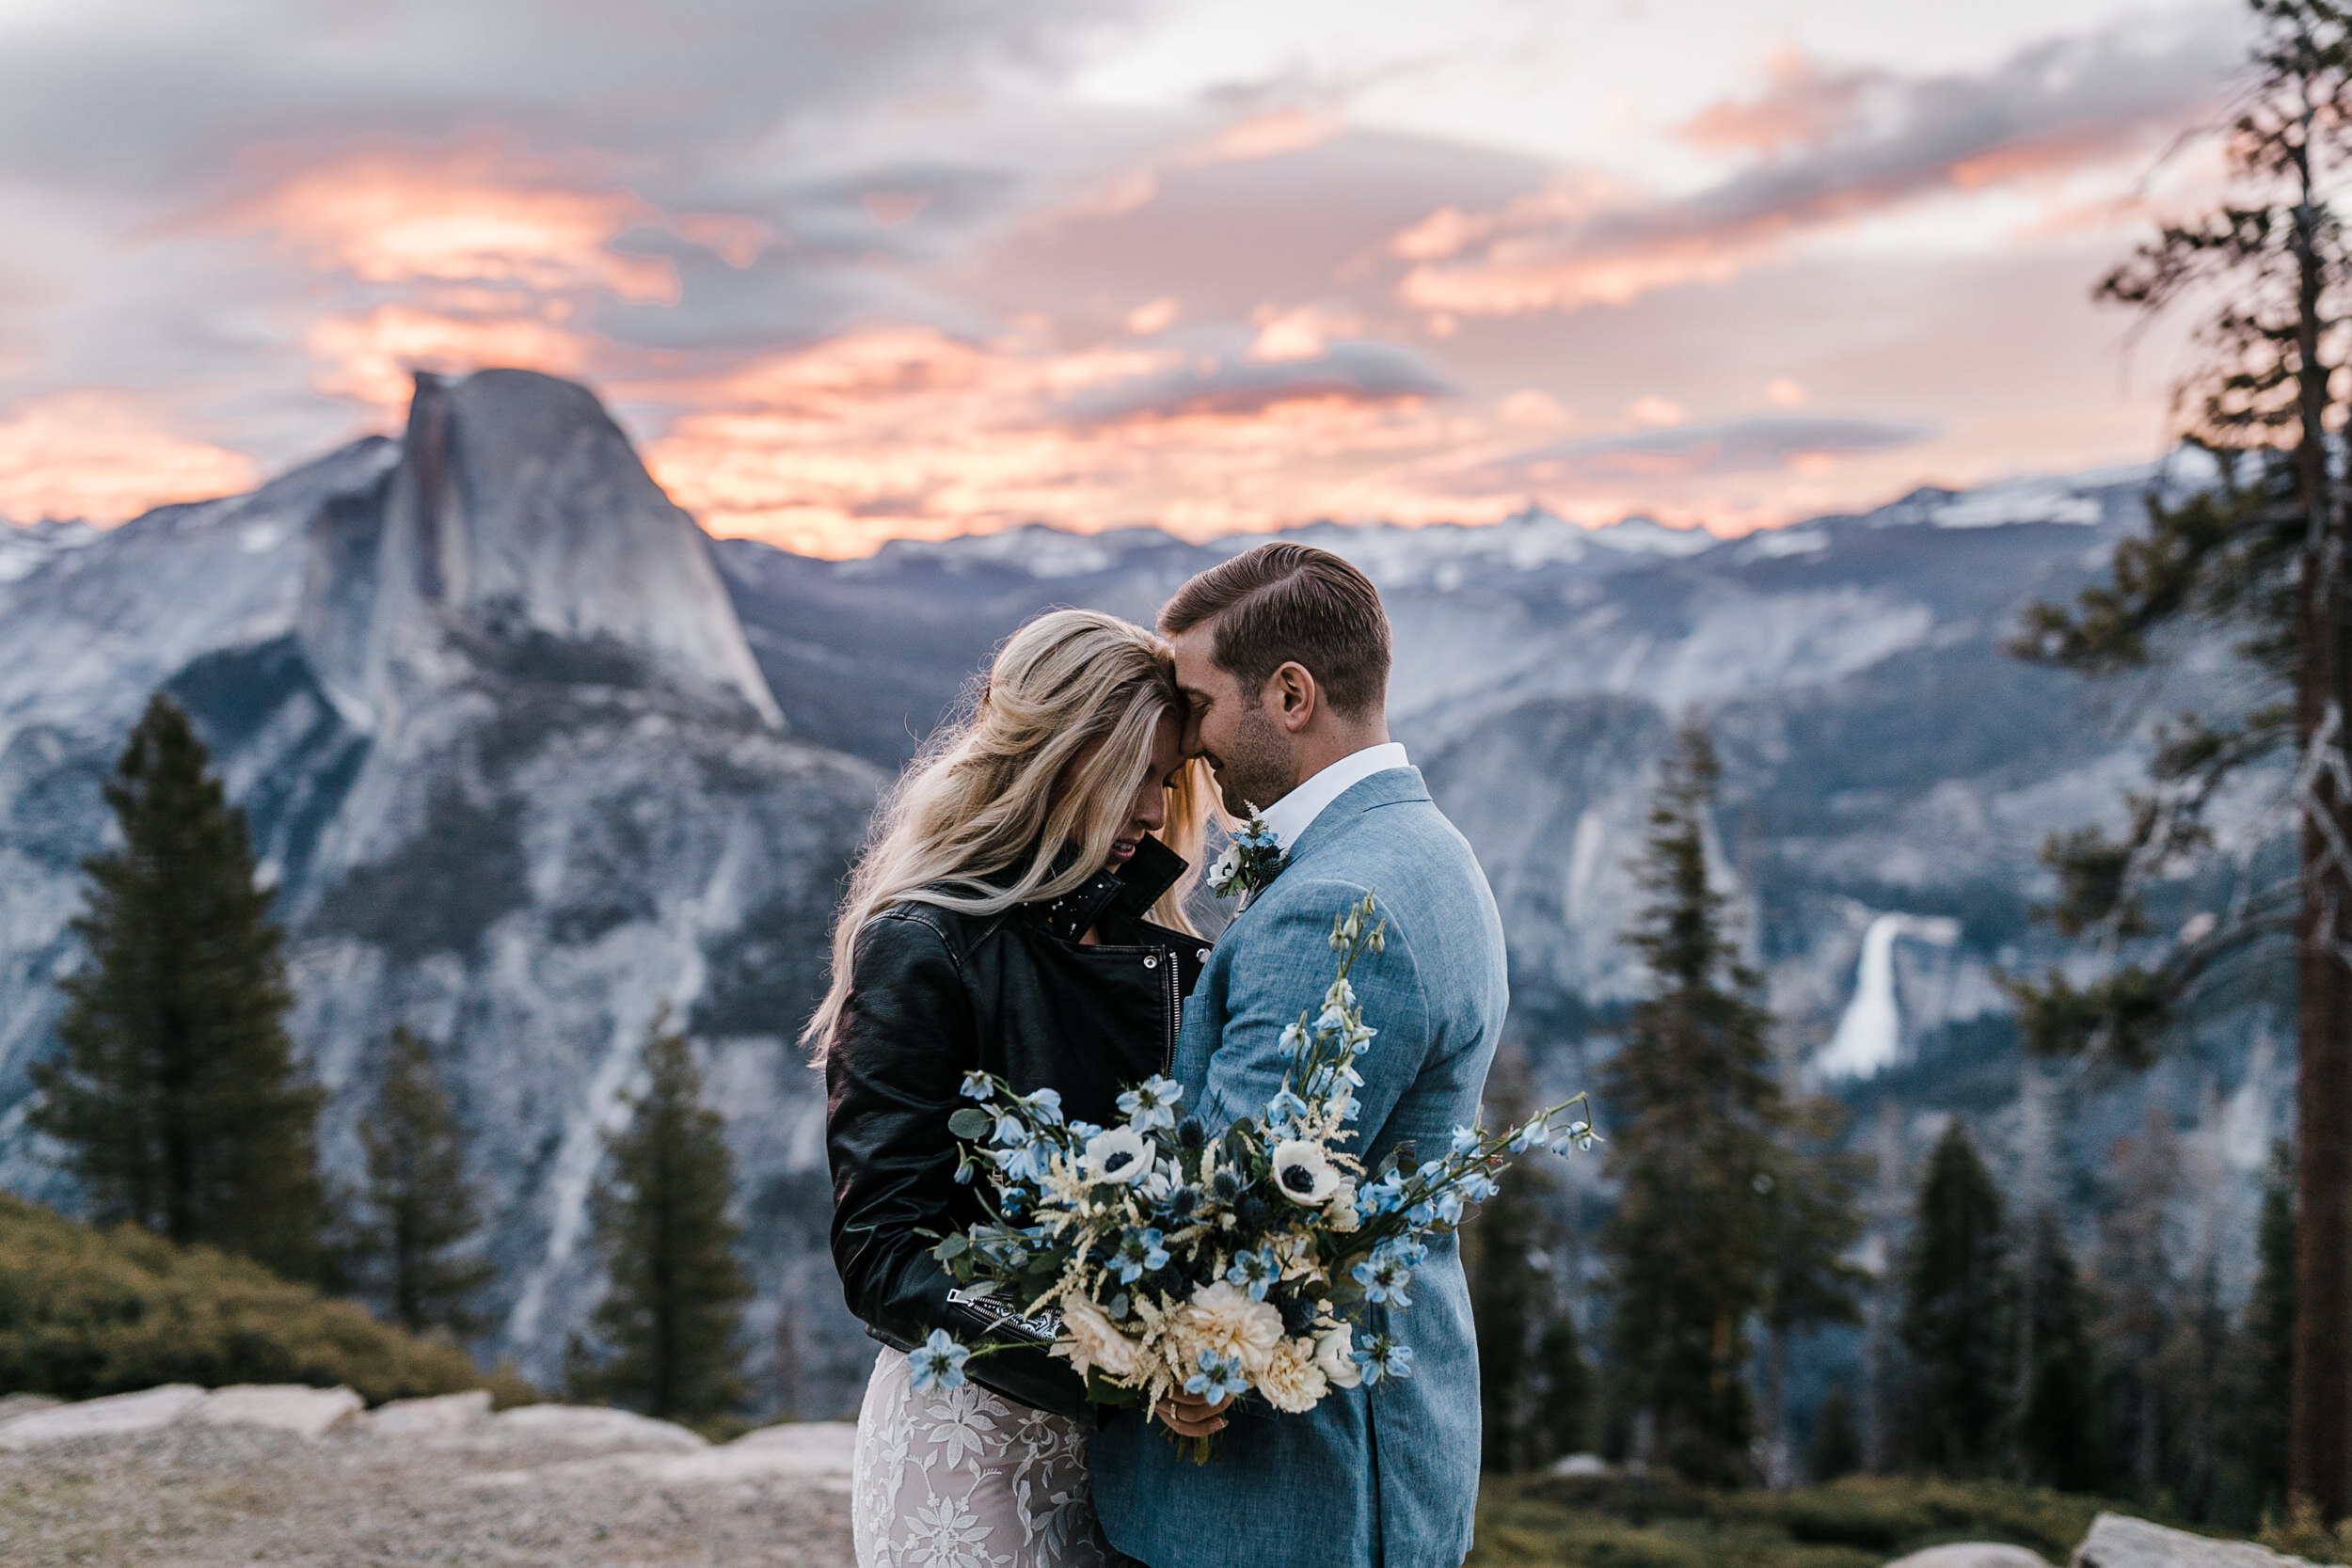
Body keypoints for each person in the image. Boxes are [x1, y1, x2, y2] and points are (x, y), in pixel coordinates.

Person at [1088, 542, 1509, 1568]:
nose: (1186, 745)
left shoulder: (1331, 903)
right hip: (1389, 1440)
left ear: (1289, 693)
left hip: (1286, 1492)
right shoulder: (1424, 846)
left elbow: (1240, 1203)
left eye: (1196, 704)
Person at [814, 609, 1210, 1568]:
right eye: (1133, 775)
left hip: (1132, 1453)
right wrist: (1112, 1360)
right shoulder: (921, 943)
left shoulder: (1160, 955)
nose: (1156, 813)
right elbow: (884, 1256)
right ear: (1052, 759)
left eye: (1166, 778)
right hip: (968, 1433)